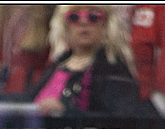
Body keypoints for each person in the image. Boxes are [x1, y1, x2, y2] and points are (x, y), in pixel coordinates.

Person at [27, 5, 158, 118]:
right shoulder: (58, 64)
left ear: (106, 26)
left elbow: (120, 120)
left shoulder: (114, 70)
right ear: (64, 26)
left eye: (93, 17)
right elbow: (28, 100)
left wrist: (66, 112)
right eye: (74, 17)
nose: (83, 22)